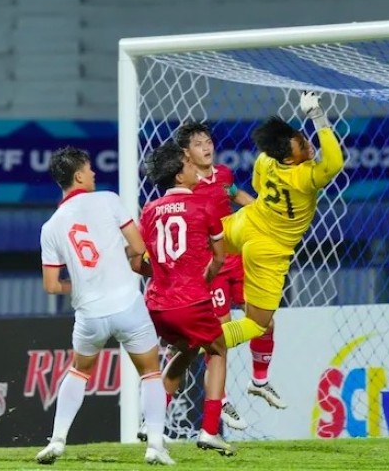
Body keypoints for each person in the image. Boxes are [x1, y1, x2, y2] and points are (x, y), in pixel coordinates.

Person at [36, 146, 173, 465]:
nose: (94, 173)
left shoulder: (51, 227)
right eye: (90, 168)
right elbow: (138, 249)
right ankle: (155, 445)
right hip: (128, 305)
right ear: (79, 175)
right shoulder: (109, 200)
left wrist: (82, 283)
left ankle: (57, 441)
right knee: (151, 373)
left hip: (90, 315)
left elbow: (52, 285)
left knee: (78, 371)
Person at [175, 122, 287, 420]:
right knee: (218, 335)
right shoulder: (184, 183)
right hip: (211, 264)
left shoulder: (223, 174)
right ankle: (220, 399)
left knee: (265, 321)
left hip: (239, 257)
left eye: (208, 140)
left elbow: (237, 195)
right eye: (199, 143)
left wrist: (265, 217)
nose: (207, 146)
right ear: (186, 153)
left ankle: (259, 381)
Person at [217, 91, 344, 349]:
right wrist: (318, 117)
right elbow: (334, 162)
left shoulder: (266, 159)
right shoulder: (304, 177)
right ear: (288, 158)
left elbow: (257, 186)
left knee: (197, 240)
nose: (308, 144)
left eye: (302, 136)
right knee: (257, 324)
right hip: (268, 250)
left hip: (244, 223)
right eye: (301, 144)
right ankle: (196, 344)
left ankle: (147, 258)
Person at [132, 140, 235, 456]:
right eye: (189, 165)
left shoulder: (148, 211)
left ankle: (149, 424)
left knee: (188, 349)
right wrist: (197, 280)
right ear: (179, 175)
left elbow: (135, 261)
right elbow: (219, 259)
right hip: (190, 301)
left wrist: (165, 274)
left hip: (157, 306)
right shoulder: (204, 206)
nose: (196, 168)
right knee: (217, 350)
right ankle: (209, 430)